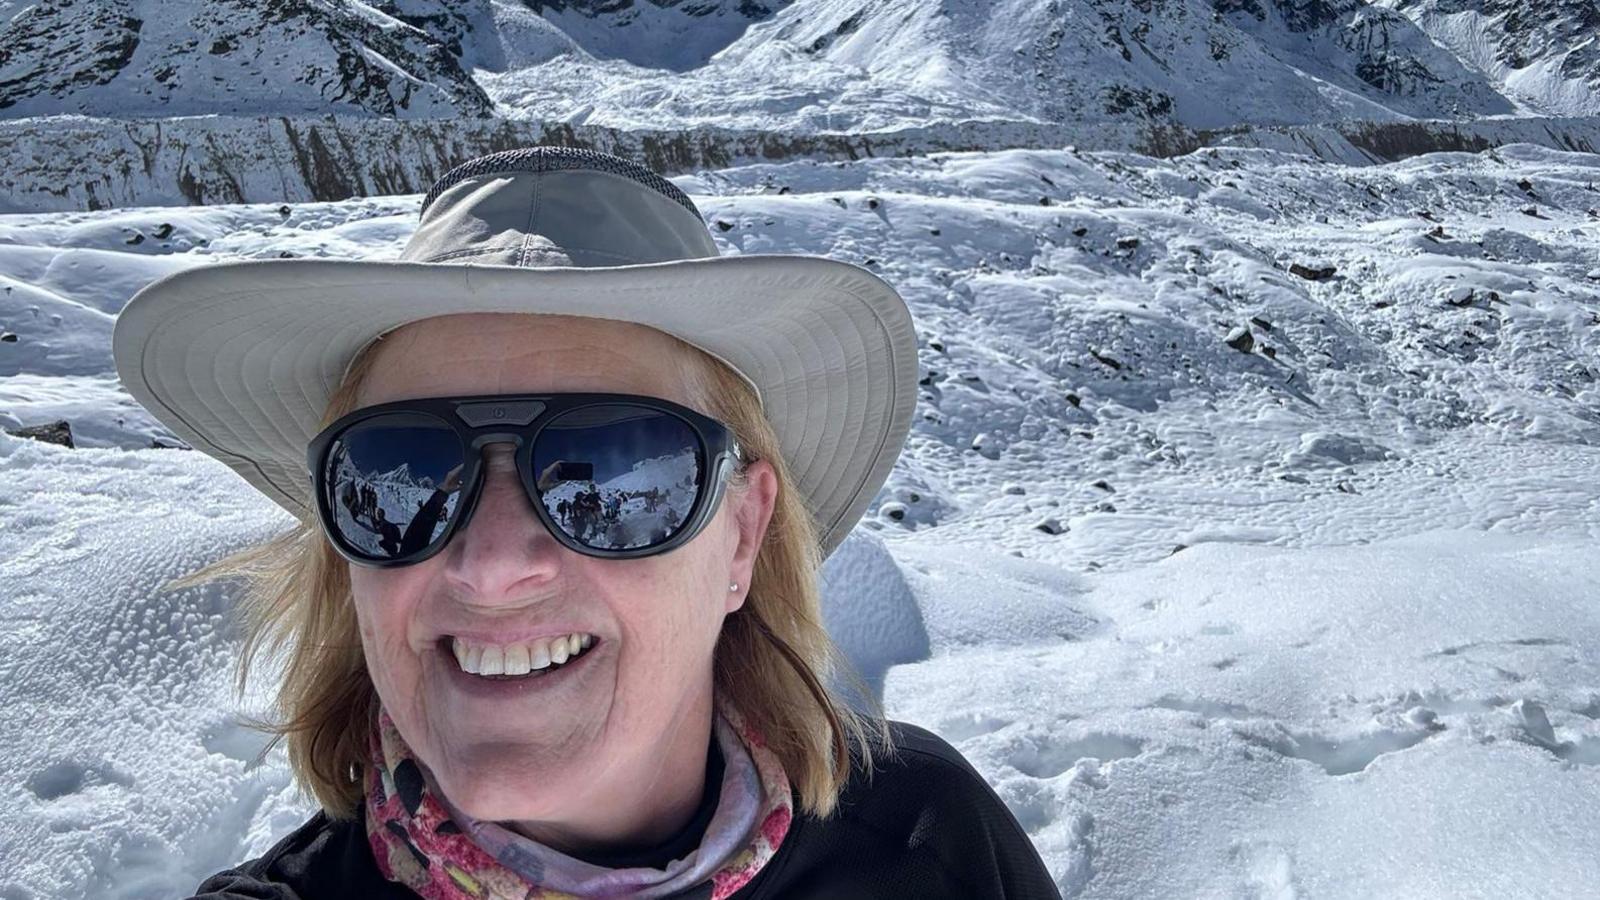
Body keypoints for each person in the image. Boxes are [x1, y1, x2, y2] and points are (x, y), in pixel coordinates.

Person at [115, 147, 1060, 898]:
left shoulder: (926, 841)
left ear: (742, 537)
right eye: (400, 477)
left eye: (614, 474)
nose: (489, 567)